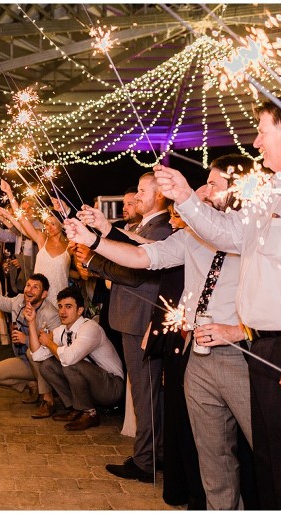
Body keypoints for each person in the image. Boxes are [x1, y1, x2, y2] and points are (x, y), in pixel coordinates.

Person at [66, 154, 256, 509]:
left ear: (238, 191)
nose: (203, 190)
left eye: (212, 184)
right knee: (212, 455)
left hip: (241, 358)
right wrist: (95, 241)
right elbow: (145, 257)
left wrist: (238, 330)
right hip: (198, 357)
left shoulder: (255, 232)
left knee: (267, 450)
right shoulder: (194, 237)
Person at [154, 98, 281, 510]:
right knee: (266, 461)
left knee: (277, 462)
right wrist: (185, 196)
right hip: (261, 346)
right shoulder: (271, 194)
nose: (256, 142)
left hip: (269, 348)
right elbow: (228, 235)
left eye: (262, 131)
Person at [80, 172, 173, 483]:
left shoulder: (161, 229)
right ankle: (151, 453)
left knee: (146, 394)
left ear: (160, 195)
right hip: (131, 318)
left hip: (140, 319)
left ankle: (147, 461)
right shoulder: (144, 227)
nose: (136, 197)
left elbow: (134, 274)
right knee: (144, 392)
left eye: (144, 191)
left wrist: (93, 261)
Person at [26, 287, 124, 431]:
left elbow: (69, 358)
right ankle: (77, 408)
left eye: (68, 307)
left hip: (111, 386)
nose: (62, 311)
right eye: (60, 306)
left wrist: (49, 343)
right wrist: (31, 322)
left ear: (80, 310)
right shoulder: (62, 330)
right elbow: (38, 355)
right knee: (47, 366)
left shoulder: (90, 328)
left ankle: (90, 414)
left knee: (70, 365)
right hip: (92, 382)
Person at [0, 270, 60, 409]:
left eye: (35, 287)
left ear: (44, 294)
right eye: (28, 285)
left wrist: (26, 340)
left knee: (32, 352)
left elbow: (55, 349)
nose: (29, 290)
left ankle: (47, 399)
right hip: (24, 361)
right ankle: (32, 384)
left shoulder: (51, 314)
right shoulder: (19, 301)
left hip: (47, 365)